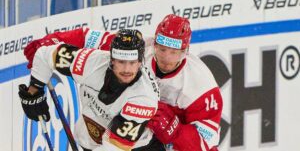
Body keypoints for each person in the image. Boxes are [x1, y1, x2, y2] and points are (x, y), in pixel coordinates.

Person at [23, 14, 223, 151]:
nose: (166, 58)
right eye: (162, 49)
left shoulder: (201, 86)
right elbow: (87, 38)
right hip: (119, 133)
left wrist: (176, 131)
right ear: (154, 43)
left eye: (174, 52)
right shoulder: (134, 50)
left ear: (185, 51)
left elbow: (208, 145)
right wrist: (48, 43)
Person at [18, 29, 160, 151]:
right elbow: (44, 55)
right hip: (90, 141)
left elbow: (113, 148)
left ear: (140, 61)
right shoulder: (89, 62)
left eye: (132, 62)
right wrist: (34, 89)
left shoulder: (144, 99)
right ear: (111, 59)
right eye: (121, 61)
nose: (126, 69)